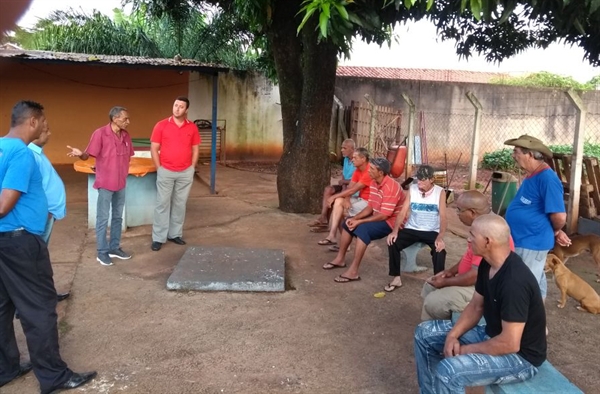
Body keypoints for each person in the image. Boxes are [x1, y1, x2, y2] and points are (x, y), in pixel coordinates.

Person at [0, 100, 96, 393]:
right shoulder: (21, 154)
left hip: (4, 243)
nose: (45, 128)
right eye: (43, 123)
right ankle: (53, 376)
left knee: (3, 307)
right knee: (40, 307)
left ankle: (6, 368)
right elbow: (4, 205)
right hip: (20, 242)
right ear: (32, 121)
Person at [414, 214, 546, 393]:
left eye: (472, 235)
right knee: (424, 333)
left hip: (520, 358)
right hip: (492, 337)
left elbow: (510, 343)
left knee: (450, 370)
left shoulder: (514, 281)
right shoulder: (487, 264)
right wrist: (452, 336)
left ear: (487, 242)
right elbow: (475, 306)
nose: (468, 239)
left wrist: (466, 350)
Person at [504, 135, 571, 299]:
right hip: (525, 241)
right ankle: (536, 321)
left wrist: (554, 230)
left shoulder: (547, 179)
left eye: (516, 151)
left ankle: (525, 322)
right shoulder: (532, 175)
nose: (513, 155)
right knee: (533, 283)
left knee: (523, 287)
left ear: (530, 154)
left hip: (531, 242)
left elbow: (560, 217)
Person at [67, 106, 134, 266]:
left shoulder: (126, 135)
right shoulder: (100, 134)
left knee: (118, 216)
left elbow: (128, 156)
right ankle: (102, 252)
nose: (128, 122)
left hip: (121, 182)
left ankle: (114, 248)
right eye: (125, 119)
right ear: (115, 118)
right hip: (105, 182)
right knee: (103, 218)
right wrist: (80, 153)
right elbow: (87, 155)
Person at [323, 158, 405, 283]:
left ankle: (353, 271)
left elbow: (384, 215)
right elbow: (370, 207)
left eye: (372, 169)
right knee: (347, 223)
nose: (369, 171)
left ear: (381, 172)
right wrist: (354, 219)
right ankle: (340, 259)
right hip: (381, 217)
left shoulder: (391, 186)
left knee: (362, 229)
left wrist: (360, 222)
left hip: (393, 223)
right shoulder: (374, 182)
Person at [420, 190, 491, 321]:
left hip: (482, 289)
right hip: (473, 283)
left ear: (472, 212)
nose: (456, 213)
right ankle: (430, 328)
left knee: (433, 301)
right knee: (430, 285)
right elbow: (468, 257)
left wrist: (446, 282)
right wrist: (449, 272)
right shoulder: (480, 225)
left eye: (459, 210)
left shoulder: (486, 231)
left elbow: (475, 276)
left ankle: (433, 334)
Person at [385, 165, 447, 292]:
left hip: (431, 230)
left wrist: (440, 237)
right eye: (418, 179)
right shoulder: (412, 189)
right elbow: (402, 213)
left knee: (440, 251)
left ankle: (439, 281)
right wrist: (395, 231)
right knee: (393, 242)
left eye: (423, 180)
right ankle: (396, 278)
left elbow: (443, 216)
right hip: (412, 228)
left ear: (431, 180)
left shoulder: (440, 192)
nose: (419, 182)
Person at [150, 96, 200, 251]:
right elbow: (154, 148)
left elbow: (195, 148)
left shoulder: (192, 127)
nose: (177, 108)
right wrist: (159, 168)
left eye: (181, 106)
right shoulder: (162, 125)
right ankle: (158, 237)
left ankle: (175, 234)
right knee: (162, 204)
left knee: (180, 205)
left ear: (186, 110)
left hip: (185, 172)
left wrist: (192, 167)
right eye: (175, 105)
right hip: (166, 171)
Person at [27, 121, 70, 301]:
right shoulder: (29, 155)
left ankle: (44, 295)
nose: (49, 134)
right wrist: (46, 211)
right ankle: (32, 301)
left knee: (41, 258)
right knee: (35, 259)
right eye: (46, 131)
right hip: (42, 215)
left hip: (47, 214)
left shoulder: (38, 153)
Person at [316, 148, 372, 248]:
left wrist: (333, 197)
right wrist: (346, 199)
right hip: (360, 199)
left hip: (370, 203)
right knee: (339, 202)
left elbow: (353, 190)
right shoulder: (358, 170)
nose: (352, 160)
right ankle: (332, 236)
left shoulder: (369, 171)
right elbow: (350, 188)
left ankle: (341, 241)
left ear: (363, 159)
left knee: (339, 207)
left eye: (355, 158)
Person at [309, 139, 356, 228]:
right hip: (345, 184)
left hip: (351, 187)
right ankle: (323, 217)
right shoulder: (346, 159)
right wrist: (343, 183)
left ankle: (326, 222)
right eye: (342, 148)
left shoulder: (356, 161)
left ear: (352, 149)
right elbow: (344, 173)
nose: (342, 150)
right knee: (328, 189)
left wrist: (344, 182)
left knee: (333, 197)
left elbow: (357, 182)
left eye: (344, 148)